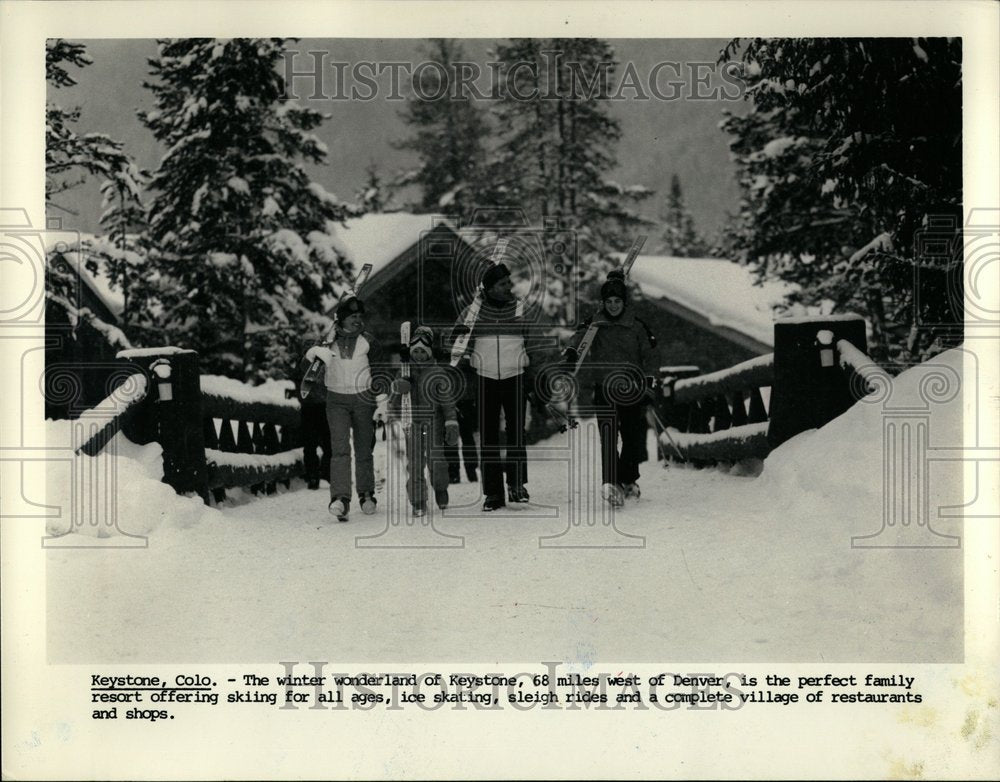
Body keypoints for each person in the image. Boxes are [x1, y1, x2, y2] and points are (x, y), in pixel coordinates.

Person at [451, 255, 538, 512]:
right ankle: (493, 493)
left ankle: (517, 484)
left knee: (516, 434)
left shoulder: (522, 309)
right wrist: (460, 349)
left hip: (516, 376)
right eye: (502, 284)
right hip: (485, 378)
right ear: (489, 288)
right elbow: (455, 346)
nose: (508, 288)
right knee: (488, 436)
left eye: (508, 283)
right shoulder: (472, 313)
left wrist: (537, 376)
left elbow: (536, 344)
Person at [563, 269, 658, 507]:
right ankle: (611, 482)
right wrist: (572, 351)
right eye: (609, 302)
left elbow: (650, 356)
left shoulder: (636, 326)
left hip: (631, 388)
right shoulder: (595, 324)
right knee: (608, 436)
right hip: (604, 387)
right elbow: (579, 337)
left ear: (624, 303)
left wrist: (648, 379)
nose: (613, 306)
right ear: (603, 303)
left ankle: (628, 479)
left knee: (632, 437)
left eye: (617, 301)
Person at [303, 294, 382, 521]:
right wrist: (313, 354)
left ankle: (367, 495)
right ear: (342, 319)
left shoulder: (369, 341)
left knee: (364, 448)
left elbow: (381, 372)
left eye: (359, 316)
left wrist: (382, 399)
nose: (357, 320)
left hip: (364, 399)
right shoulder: (327, 341)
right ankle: (340, 498)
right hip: (336, 400)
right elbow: (306, 369)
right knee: (339, 450)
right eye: (352, 316)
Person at [388, 326, 460, 516]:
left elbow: (447, 401)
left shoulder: (437, 372)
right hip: (411, 424)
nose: (419, 355)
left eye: (422, 351)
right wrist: (399, 389)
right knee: (415, 463)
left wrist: (451, 422)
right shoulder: (404, 371)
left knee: (437, 460)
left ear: (429, 352)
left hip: (433, 423)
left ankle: (440, 488)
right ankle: (418, 501)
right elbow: (394, 403)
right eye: (415, 351)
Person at [444, 359, 479, 484]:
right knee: (456, 438)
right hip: (452, 402)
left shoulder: (467, 363)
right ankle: (455, 472)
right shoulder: (448, 362)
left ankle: (468, 471)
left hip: (466, 402)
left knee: (465, 438)